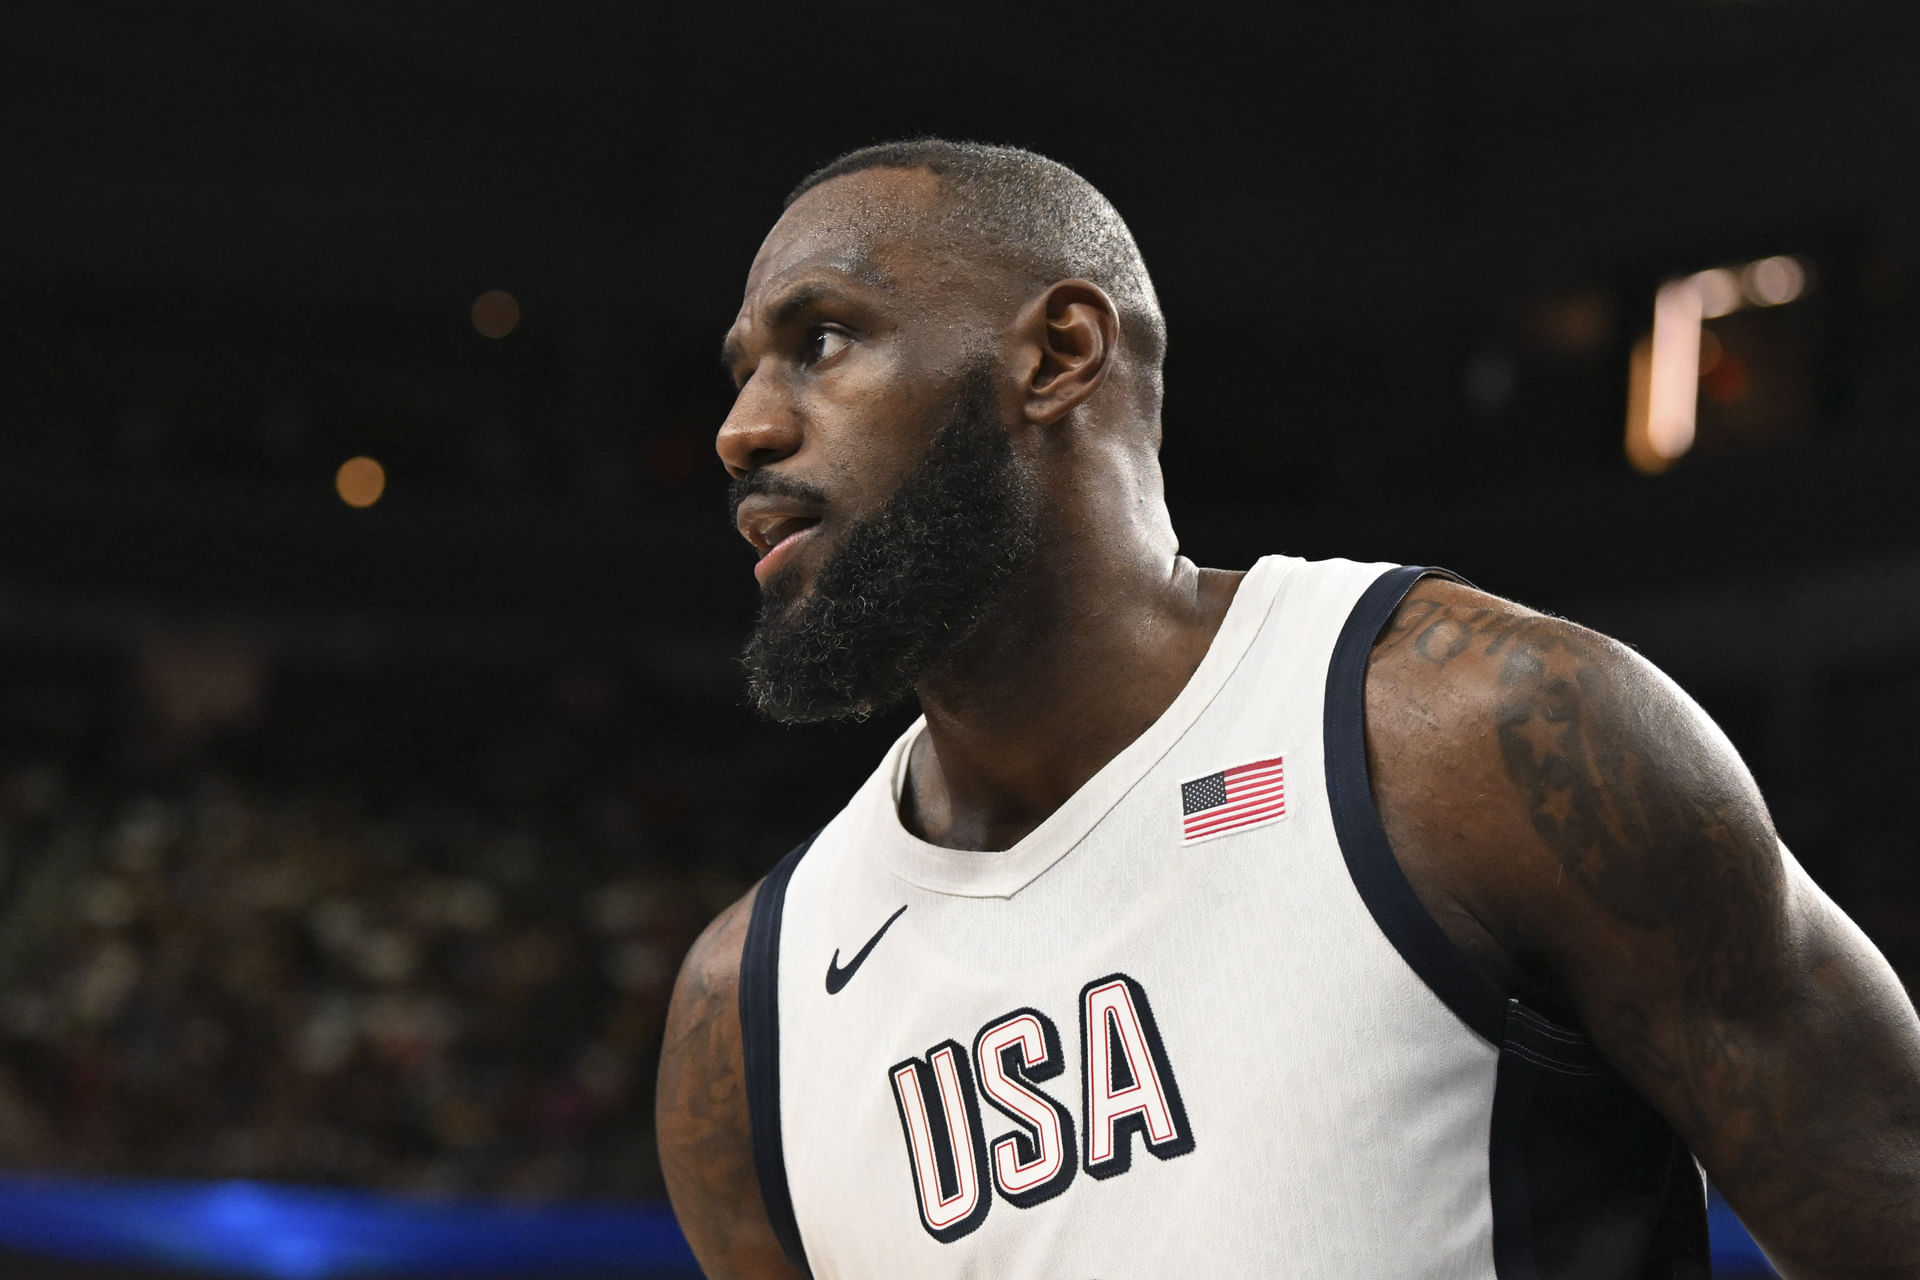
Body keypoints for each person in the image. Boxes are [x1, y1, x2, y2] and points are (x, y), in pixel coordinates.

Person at [655, 139, 1920, 1279]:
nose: (741, 429)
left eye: (819, 339)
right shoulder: (743, 1010)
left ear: (1056, 355)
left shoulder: (1482, 739)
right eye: (742, 371)